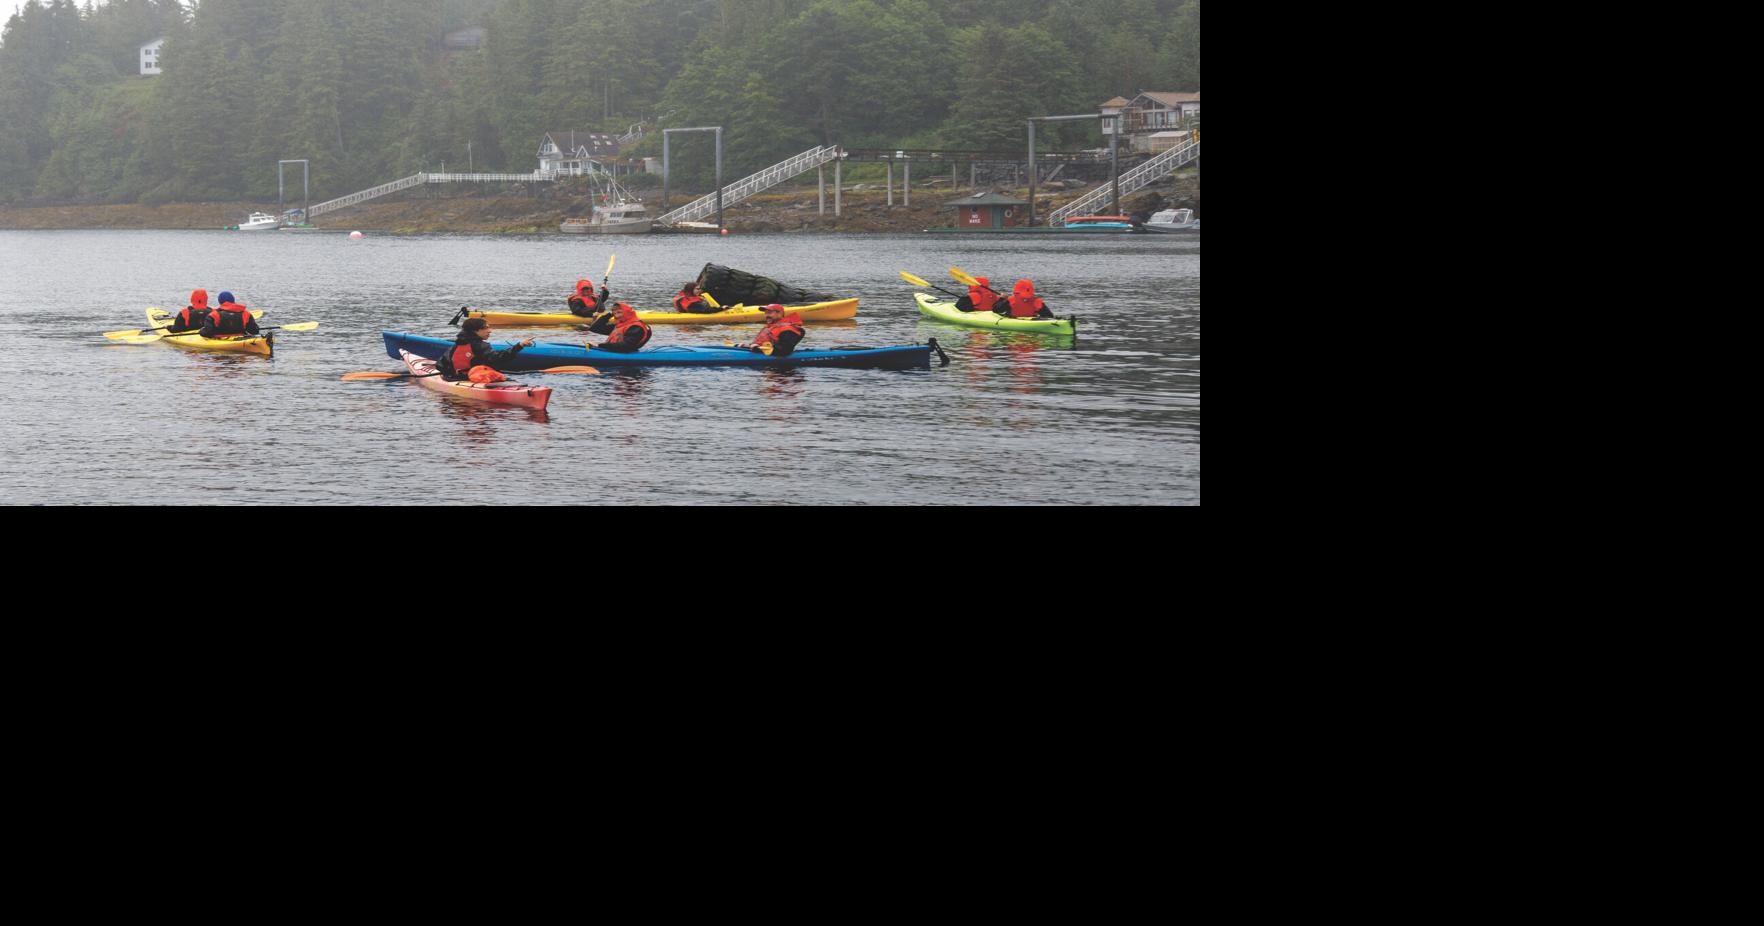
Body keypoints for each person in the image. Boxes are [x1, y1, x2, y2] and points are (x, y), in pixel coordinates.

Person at [440, 318, 534, 383]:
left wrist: (449, 375)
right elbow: (499, 358)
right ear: (475, 331)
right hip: (476, 381)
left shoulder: (455, 346)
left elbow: (440, 365)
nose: (490, 331)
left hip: (455, 379)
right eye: (486, 328)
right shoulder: (480, 346)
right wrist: (519, 346)